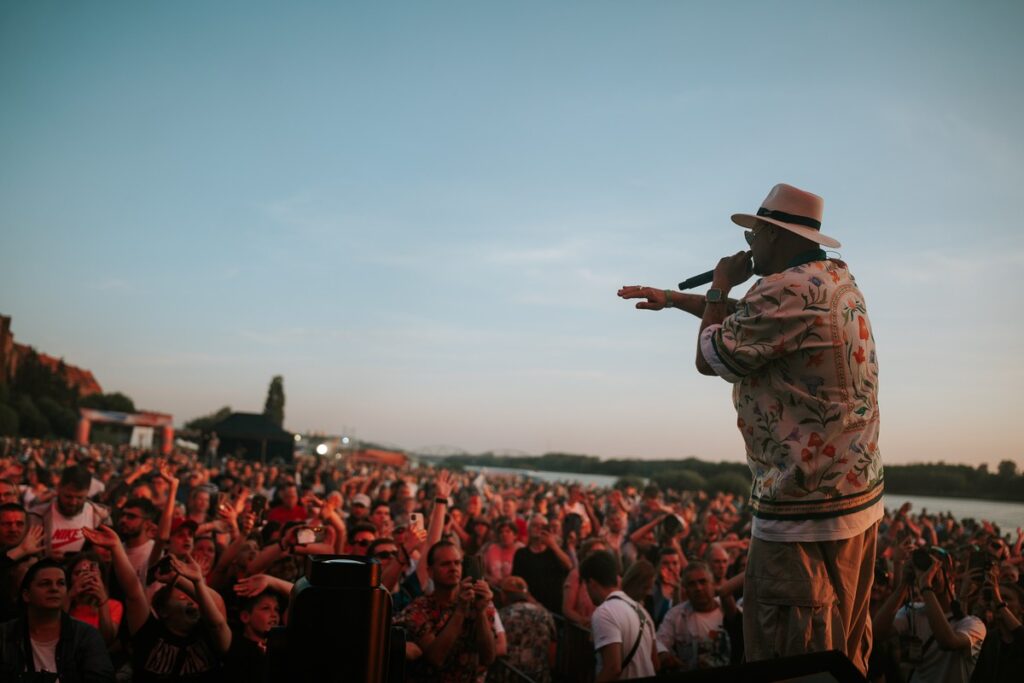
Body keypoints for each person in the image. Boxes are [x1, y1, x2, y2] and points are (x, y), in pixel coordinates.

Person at [618, 183, 883, 674]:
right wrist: (674, 298)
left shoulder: (783, 287)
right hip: (853, 499)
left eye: (753, 233)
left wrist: (719, 283)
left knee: (793, 656)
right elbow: (750, 319)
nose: (747, 245)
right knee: (842, 648)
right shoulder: (834, 279)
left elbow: (710, 356)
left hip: (801, 512)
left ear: (774, 235)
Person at [875, 548, 986, 683]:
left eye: (933, 570)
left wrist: (926, 587)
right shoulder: (913, 611)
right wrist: (904, 583)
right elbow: (876, 634)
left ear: (951, 576)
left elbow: (948, 642)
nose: (928, 575)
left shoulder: (973, 624)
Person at [395, 540, 497, 682]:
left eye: (457, 563)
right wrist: (460, 610)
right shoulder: (418, 609)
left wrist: (481, 612)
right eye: (445, 564)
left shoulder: (479, 602)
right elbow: (436, 658)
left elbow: (489, 658)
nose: (453, 568)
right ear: (430, 572)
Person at [0, 557, 114, 682]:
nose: (54, 589)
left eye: (61, 583)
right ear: (26, 595)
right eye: (45, 583)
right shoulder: (5, 634)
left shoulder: (86, 636)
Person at [582, 550, 657, 681]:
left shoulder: (604, 612)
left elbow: (613, 668)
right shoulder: (642, 611)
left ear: (591, 583)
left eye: (585, 586)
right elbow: (656, 663)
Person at [656, 562, 735, 672]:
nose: (698, 588)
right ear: (686, 590)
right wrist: (664, 654)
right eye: (692, 584)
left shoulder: (728, 611)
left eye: (703, 582)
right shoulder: (676, 615)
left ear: (712, 584)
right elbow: (659, 642)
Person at [32, 465, 109, 560]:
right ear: (59, 488)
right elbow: (28, 555)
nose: (73, 502)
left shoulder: (100, 516)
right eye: (68, 496)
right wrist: (45, 559)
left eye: (80, 497)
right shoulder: (38, 516)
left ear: (87, 492)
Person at [494, 575, 556, 683]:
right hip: (539, 676)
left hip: (509, 677)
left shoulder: (501, 616)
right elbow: (552, 650)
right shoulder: (545, 614)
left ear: (503, 595)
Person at [512, 515, 572, 615]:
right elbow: (517, 581)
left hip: (555, 608)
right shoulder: (521, 554)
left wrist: (553, 544)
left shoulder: (555, 551)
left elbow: (569, 566)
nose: (539, 528)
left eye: (543, 526)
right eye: (535, 525)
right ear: (528, 530)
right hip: (530, 607)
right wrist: (531, 600)